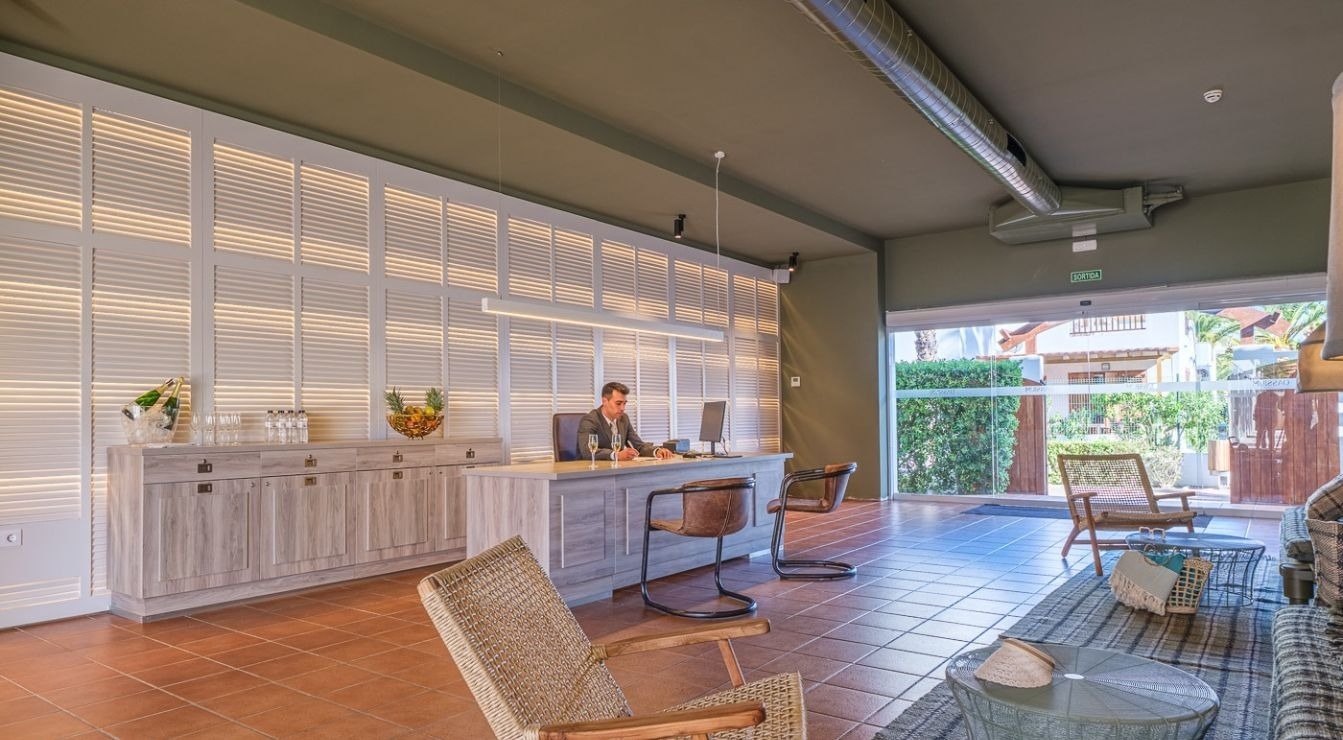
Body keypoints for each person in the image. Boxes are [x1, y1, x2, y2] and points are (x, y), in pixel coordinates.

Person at [577, 382, 673, 461]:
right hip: (595, 471)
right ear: (604, 401)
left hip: (618, 470)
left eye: (624, 403)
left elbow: (639, 446)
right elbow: (587, 451)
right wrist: (616, 455)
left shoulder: (624, 419)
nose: (623, 408)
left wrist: (656, 451)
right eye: (618, 403)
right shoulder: (590, 420)